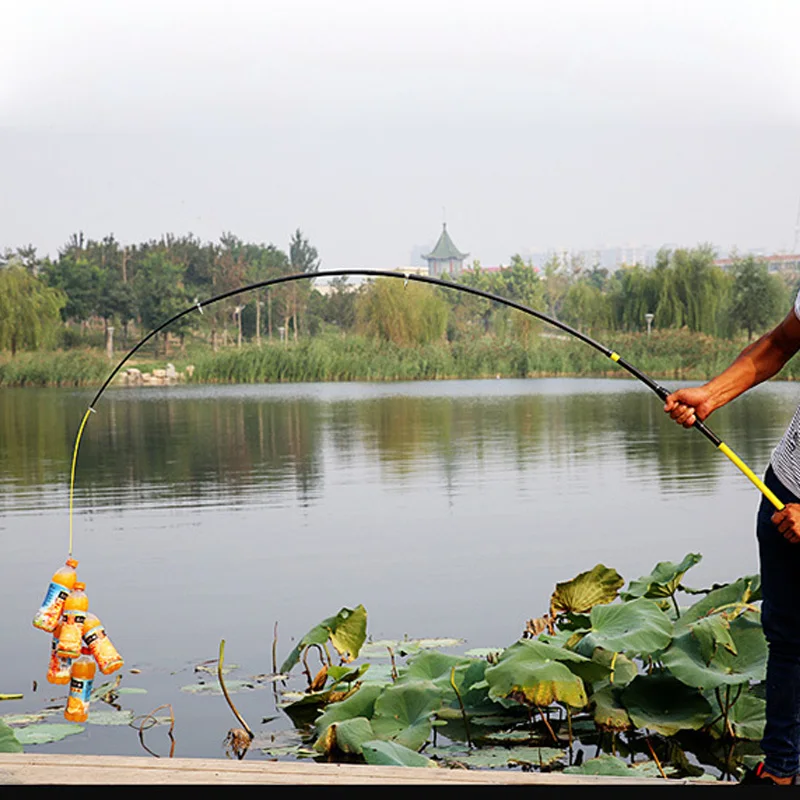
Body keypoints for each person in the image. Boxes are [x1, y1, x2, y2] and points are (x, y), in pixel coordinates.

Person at [664, 291, 800, 786]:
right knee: (786, 639)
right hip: (784, 488)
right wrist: (712, 394)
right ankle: (782, 768)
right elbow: (781, 343)